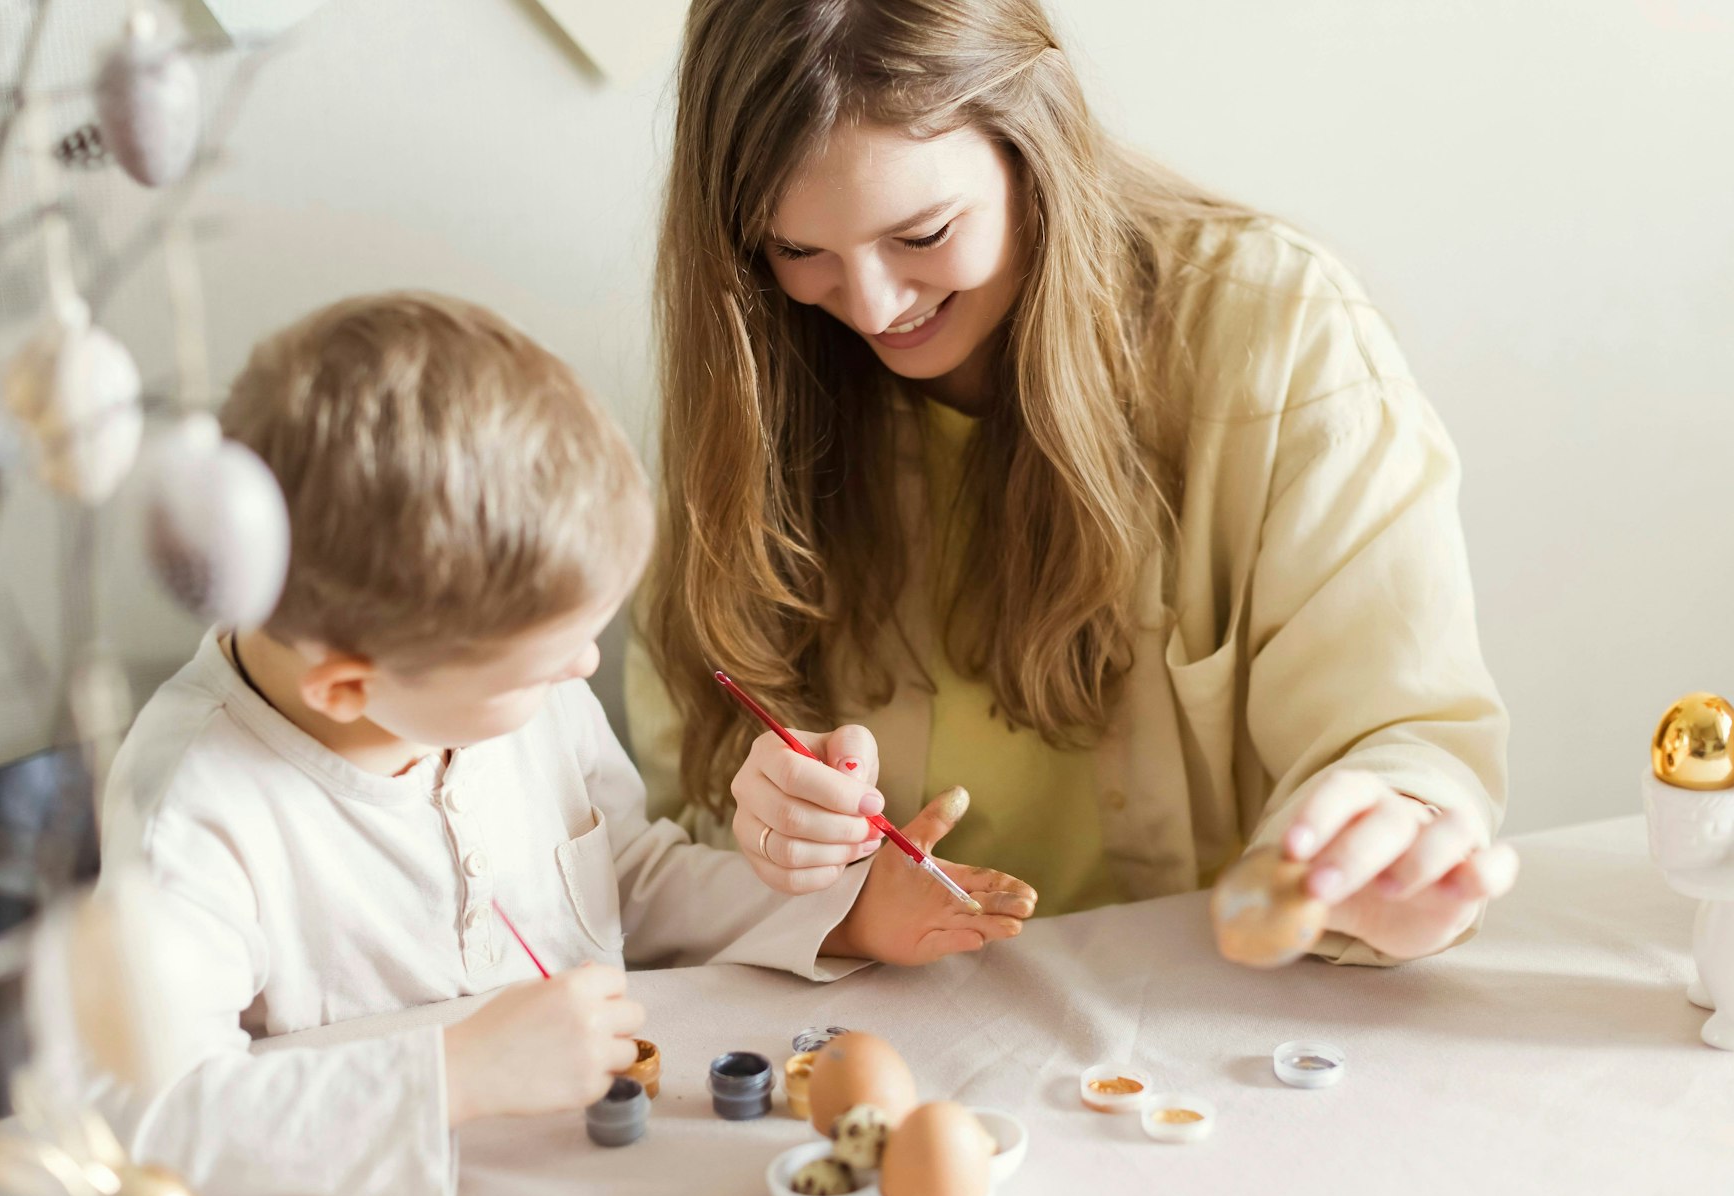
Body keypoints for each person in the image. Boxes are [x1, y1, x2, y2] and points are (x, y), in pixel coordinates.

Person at [89, 293, 1035, 1196]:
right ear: (347, 686)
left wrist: (848, 910)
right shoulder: (194, 806)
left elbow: (624, 879)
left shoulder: (521, 698)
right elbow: (148, 1119)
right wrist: (455, 1072)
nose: (585, 670)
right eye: (541, 666)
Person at [629, 0, 1516, 966]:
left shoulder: (1277, 334)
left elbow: (1400, 731)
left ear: (1031, 146)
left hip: (1201, 1014)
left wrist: (1389, 842)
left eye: (922, 233)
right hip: (886, 1021)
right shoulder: (750, 374)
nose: (875, 307)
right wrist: (772, 843)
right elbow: (682, 830)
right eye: (799, 251)